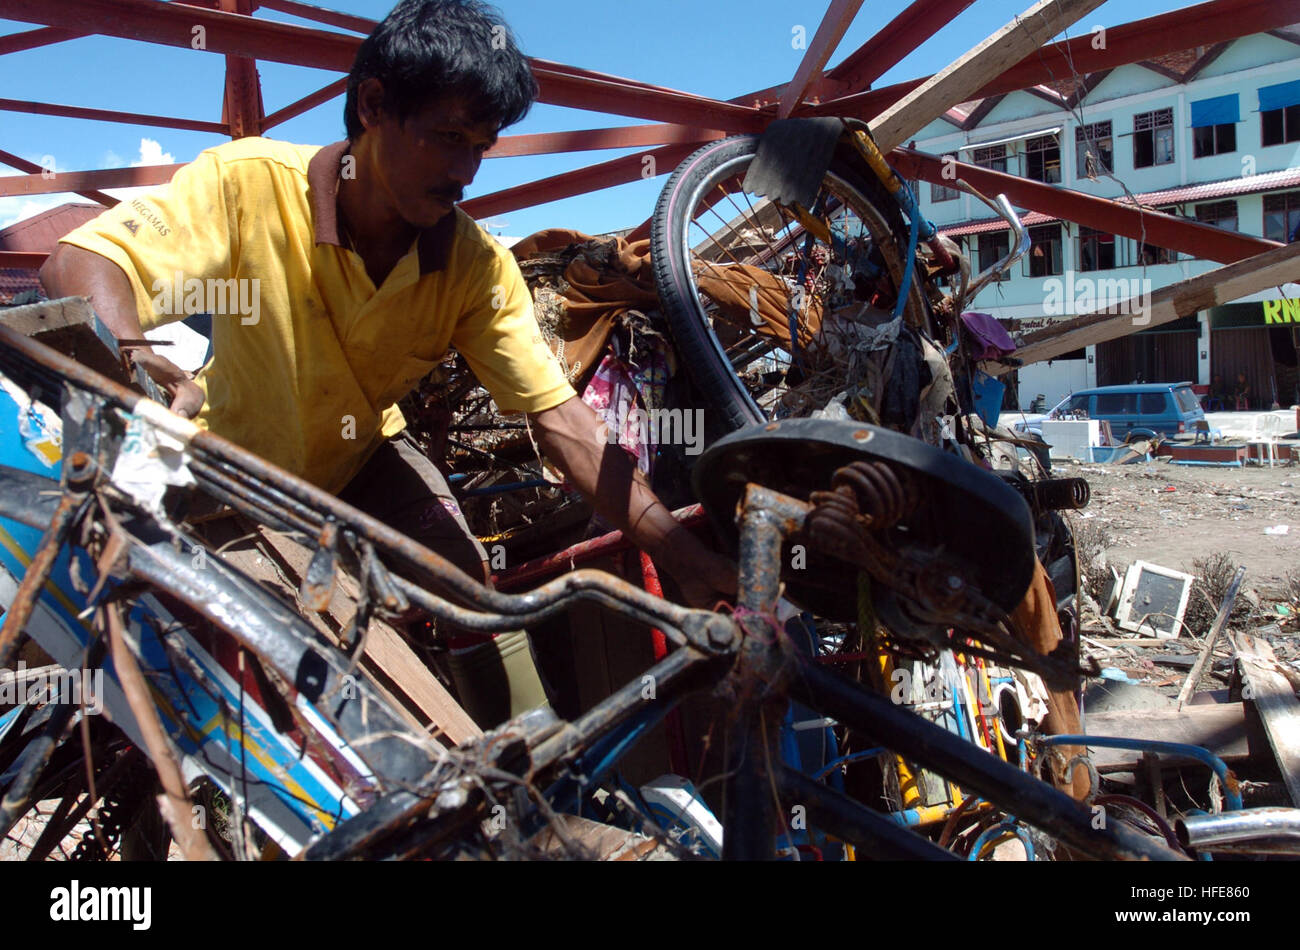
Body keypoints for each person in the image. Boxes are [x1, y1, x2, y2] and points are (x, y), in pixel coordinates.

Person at [39, 0, 735, 726]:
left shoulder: (472, 265)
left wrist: (681, 554)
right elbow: (82, 261)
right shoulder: (247, 184)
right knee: (265, 668)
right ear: (373, 105)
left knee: (468, 588)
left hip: (363, 457)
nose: (465, 170)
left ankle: (525, 780)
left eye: (481, 146)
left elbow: (561, 421)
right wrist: (137, 357)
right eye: (447, 137)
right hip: (219, 473)